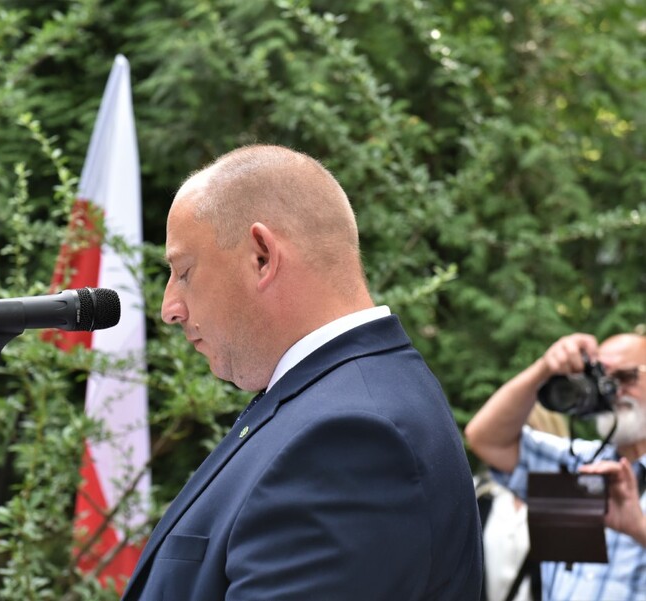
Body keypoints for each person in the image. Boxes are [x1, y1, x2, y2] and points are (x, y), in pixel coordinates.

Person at [121, 144, 482, 600]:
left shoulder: (350, 438)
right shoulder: (338, 401)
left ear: (262, 256)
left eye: (184, 271)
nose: (169, 308)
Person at [465, 332, 646, 600]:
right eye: (601, 378)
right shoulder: (578, 465)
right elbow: (486, 439)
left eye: (626, 377)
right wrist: (544, 368)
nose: (612, 391)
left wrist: (638, 528)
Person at [476, 403, 568, 601]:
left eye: (529, 433)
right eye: (509, 434)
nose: (517, 444)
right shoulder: (482, 495)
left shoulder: (567, 504)